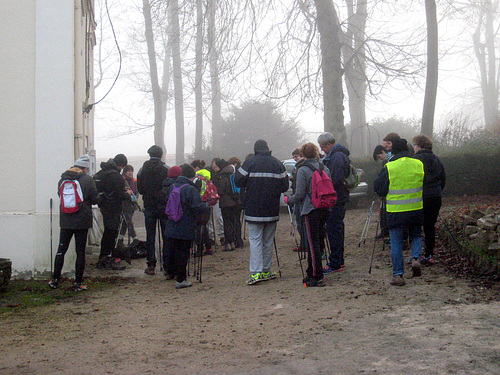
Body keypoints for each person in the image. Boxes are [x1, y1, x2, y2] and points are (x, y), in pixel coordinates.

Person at [234, 139, 289, 285]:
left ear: (255, 149)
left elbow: (238, 180)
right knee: (268, 240)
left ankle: (256, 273)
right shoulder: (278, 163)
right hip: (272, 208)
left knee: (255, 240)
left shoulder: (249, 163)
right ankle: (266, 270)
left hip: (253, 208)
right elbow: (285, 186)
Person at [374, 138, 425, 286]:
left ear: (393, 151)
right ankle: (415, 258)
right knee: (416, 235)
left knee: (396, 242)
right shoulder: (418, 164)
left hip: (395, 210)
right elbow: (425, 182)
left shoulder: (390, 166)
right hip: (416, 207)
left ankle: (398, 275)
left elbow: (379, 187)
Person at [49, 155, 98, 291]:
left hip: (65, 220)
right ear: (85, 168)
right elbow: (94, 199)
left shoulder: (62, 179)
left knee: (61, 249)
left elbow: (60, 196)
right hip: (82, 221)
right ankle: (78, 282)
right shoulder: (87, 180)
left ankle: (55, 279)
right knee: (80, 252)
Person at [285, 143, 331, 287]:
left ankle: (317, 276)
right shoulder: (325, 168)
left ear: (303, 154)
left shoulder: (303, 170)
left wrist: (288, 200)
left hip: (311, 210)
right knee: (318, 241)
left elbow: (299, 194)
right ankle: (311, 271)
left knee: (313, 244)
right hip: (325, 208)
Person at [163, 164, 208, 289]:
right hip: (185, 224)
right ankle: (181, 279)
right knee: (183, 252)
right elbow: (197, 207)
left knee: (173, 250)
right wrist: (206, 206)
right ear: (192, 175)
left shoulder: (172, 186)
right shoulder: (190, 189)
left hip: (172, 224)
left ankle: (171, 272)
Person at [317, 132, 350, 274]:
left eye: (322, 147)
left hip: (335, 199)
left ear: (328, 144)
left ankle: (336, 262)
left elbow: (335, 178)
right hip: (339, 197)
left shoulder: (337, 157)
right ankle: (338, 260)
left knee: (334, 229)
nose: (322, 150)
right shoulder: (339, 155)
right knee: (336, 228)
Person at [412, 134, 446, 264]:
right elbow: (443, 178)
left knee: (416, 226)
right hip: (435, 196)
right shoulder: (437, 159)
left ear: (419, 146)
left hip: (420, 196)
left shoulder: (415, 160)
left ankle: (416, 254)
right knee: (430, 226)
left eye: (414, 145)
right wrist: (437, 190)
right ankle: (429, 254)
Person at [95, 154, 132, 270]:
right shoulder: (115, 176)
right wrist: (128, 194)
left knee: (107, 232)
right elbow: (119, 195)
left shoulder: (102, 173)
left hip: (104, 206)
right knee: (111, 233)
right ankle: (107, 258)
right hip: (113, 208)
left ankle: (103, 257)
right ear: (121, 165)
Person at [137, 145, 170, 275]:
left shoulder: (142, 170)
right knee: (166, 236)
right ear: (161, 155)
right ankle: (167, 264)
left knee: (150, 236)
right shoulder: (166, 169)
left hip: (149, 205)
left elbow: (140, 189)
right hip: (163, 206)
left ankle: (151, 265)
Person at [213, 159, 239, 251]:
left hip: (225, 202)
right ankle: (232, 242)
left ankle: (228, 243)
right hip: (234, 201)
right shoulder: (232, 174)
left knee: (226, 222)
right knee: (232, 222)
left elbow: (221, 190)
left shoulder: (222, 176)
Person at [117, 165, 140, 249]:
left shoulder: (134, 181)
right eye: (128, 171)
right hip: (124, 204)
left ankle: (120, 239)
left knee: (125, 222)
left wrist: (135, 197)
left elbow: (137, 192)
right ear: (124, 172)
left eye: (131, 171)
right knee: (128, 221)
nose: (130, 173)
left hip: (132, 205)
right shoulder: (122, 181)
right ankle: (135, 239)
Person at [290, 148, 308, 253]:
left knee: (301, 222)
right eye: (294, 157)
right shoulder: (297, 167)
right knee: (300, 223)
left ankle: (305, 244)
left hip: (300, 198)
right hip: (298, 197)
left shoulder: (301, 167)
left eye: (296, 156)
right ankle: (304, 243)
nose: (295, 159)